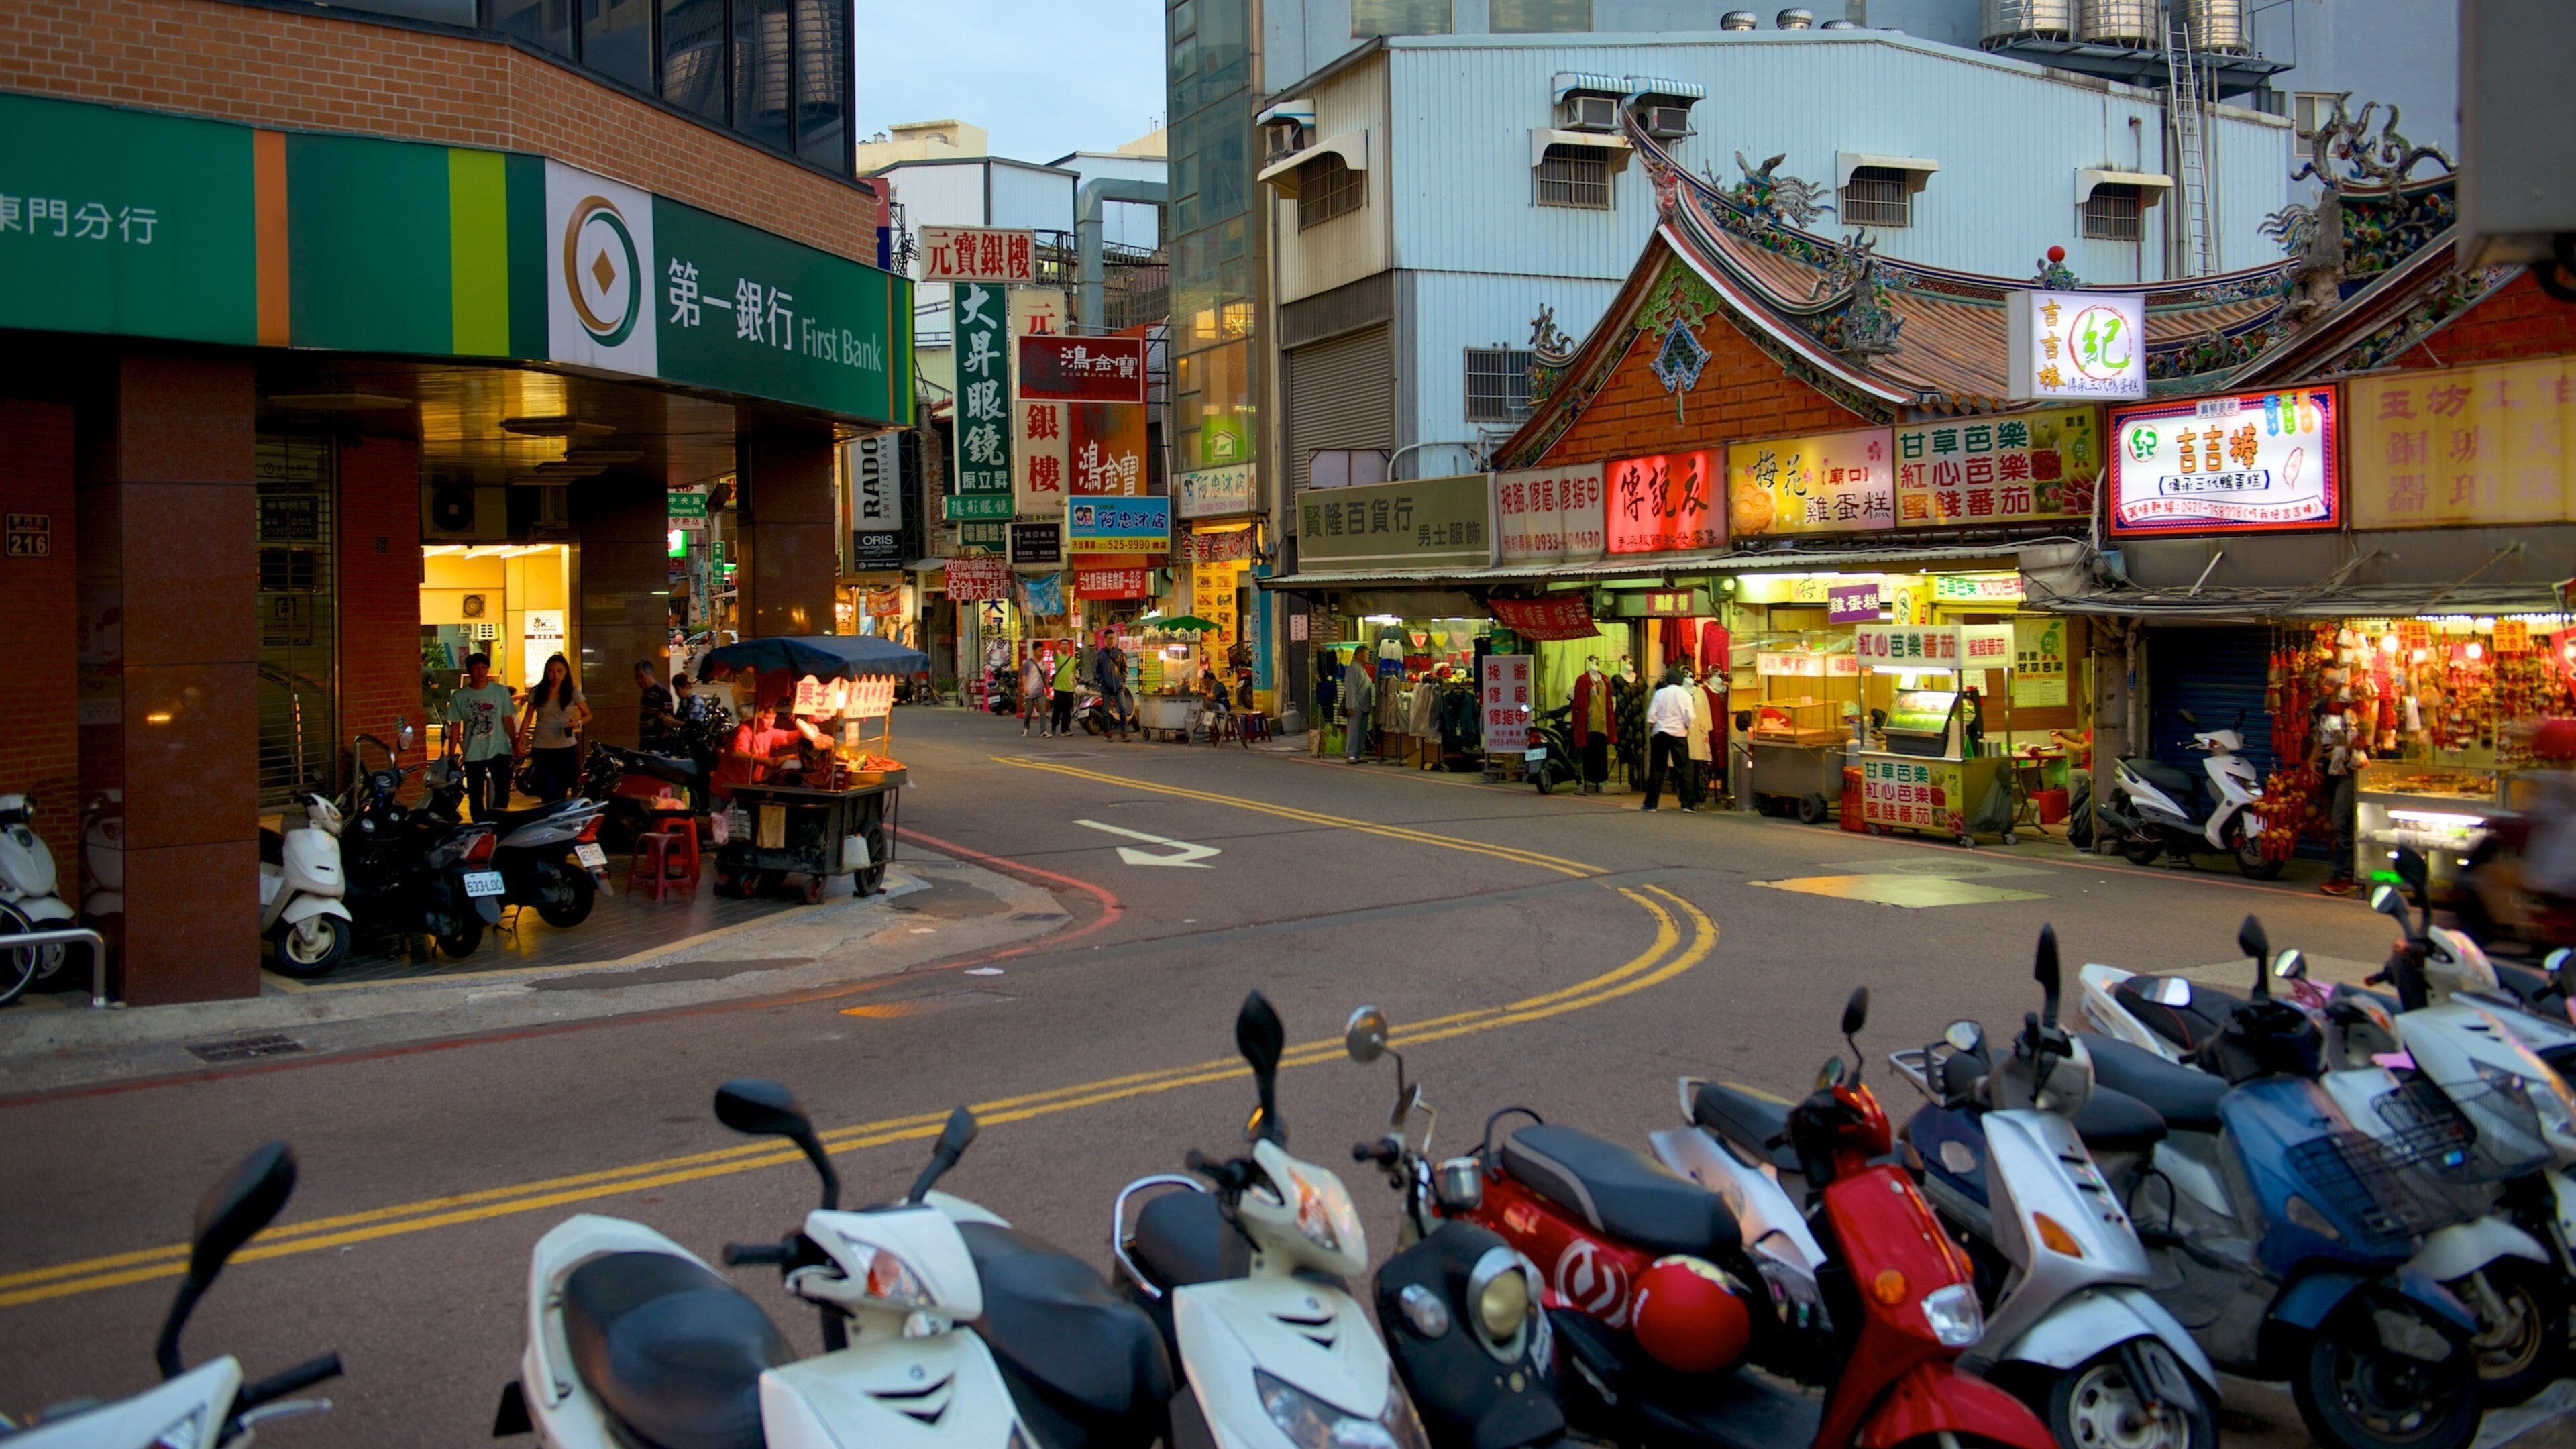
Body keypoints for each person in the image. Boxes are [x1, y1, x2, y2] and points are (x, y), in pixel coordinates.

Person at [443, 653, 517, 820]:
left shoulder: (500, 692)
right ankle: (480, 826)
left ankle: (498, 821)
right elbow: (455, 726)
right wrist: (452, 753)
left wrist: (515, 743)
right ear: (469, 671)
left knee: (503, 790)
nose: (480, 671)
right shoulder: (460, 696)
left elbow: (507, 720)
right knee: (475, 795)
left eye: (484, 667)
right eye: (476, 668)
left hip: (499, 749)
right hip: (473, 751)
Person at [516, 653, 590, 802]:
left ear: (565, 672)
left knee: (561, 788)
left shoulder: (571, 691)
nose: (555, 675)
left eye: (560, 671)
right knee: (545, 786)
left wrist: (578, 723)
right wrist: (519, 741)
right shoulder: (537, 691)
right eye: (552, 671)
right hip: (542, 745)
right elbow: (528, 717)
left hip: (565, 745)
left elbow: (587, 714)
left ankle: (559, 818)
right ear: (546, 672)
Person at [710, 696, 807, 802]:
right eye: (767, 719)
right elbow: (737, 753)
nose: (771, 723)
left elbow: (787, 737)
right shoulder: (744, 730)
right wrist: (767, 761)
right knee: (721, 817)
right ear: (757, 716)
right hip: (726, 787)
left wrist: (804, 731)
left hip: (747, 787)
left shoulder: (768, 731)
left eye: (773, 719)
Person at [2313, 698, 2364, 895]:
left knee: (2341, 822)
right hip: (2330, 773)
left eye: (2331, 682)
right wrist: (2312, 760)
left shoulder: (2353, 709)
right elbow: (2322, 738)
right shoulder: (2322, 708)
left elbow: (2355, 737)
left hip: (2348, 773)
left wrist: (2340, 752)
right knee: (2338, 824)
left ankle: (2345, 875)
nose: (2326, 685)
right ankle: (2341, 873)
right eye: (2325, 681)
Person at [1640, 667, 1696, 812]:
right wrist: (1687, 726)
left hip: (1661, 732)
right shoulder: (1686, 695)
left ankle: (1651, 804)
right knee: (1683, 769)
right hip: (1679, 733)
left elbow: (1652, 714)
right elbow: (1690, 717)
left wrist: (1652, 727)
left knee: (1657, 768)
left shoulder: (1660, 693)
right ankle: (1687, 804)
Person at [635, 660, 678, 753]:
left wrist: (661, 741)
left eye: (642, 677)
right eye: (637, 678)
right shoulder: (646, 692)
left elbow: (668, 718)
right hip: (645, 741)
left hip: (656, 743)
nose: (639, 680)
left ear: (650, 674)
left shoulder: (662, 692)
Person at [1050, 646, 1081, 737]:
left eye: (1066, 644)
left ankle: (1065, 729)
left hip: (1069, 689)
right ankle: (1053, 727)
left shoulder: (1072, 660)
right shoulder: (1057, 657)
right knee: (1057, 710)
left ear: (1068, 647)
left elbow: (1073, 673)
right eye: (1062, 644)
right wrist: (1055, 634)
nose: (1065, 646)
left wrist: (1075, 683)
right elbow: (1054, 649)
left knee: (1067, 711)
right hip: (1058, 688)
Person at [1020, 652, 1049, 737]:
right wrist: (1025, 687)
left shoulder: (1044, 664)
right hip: (1030, 691)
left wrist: (1048, 689)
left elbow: (1046, 677)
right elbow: (1024, 675)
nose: (1041, 653)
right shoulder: (1028, 663)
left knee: (1043, 710)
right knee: (1028, 711)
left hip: (1041, 691)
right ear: (1035, 651)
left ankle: (1043, 731)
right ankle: (1026, 727)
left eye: (1042, 651)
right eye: (1039, 651)